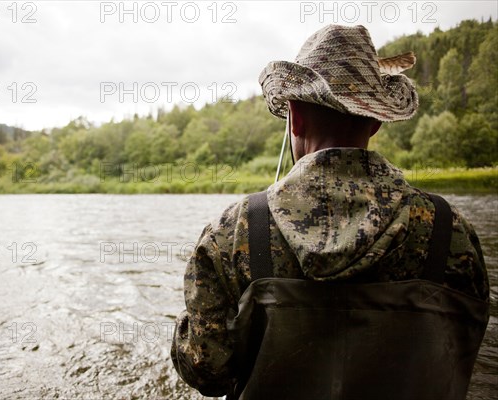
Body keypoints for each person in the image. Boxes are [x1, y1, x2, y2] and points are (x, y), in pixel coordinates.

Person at [171, 25, 489, 399]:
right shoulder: (449, 231)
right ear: (375, 120)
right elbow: (463, 351)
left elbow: (205, 372)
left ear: (295, 117)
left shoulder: (234, 232)